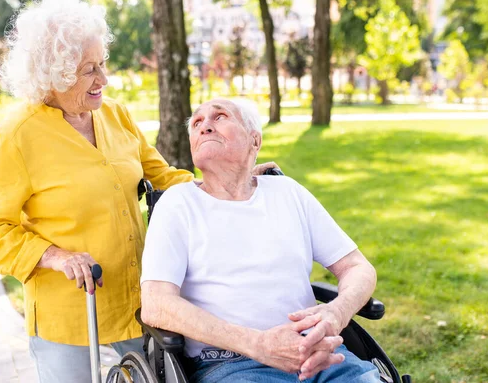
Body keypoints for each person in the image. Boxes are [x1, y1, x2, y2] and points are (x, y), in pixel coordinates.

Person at [0, 0, 275, 382]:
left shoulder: (114, 114)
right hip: (71, 310)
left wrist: (236, 179)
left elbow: (162, 176)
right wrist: (56, 256)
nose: (104, 79)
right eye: (88, 70)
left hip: (135, 298)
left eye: (102, 63)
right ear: (54, 74)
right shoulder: (18, 136)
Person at [140, 98, 381, 382]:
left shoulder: (287, 193)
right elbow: (156, 304)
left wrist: (337, 313)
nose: (205, 126)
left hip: (317, 353)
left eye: (219, 117)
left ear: (254, 140)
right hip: (231, 363)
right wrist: (258, 345)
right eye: (197, 122)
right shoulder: (178, 204)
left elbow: (357, 267)